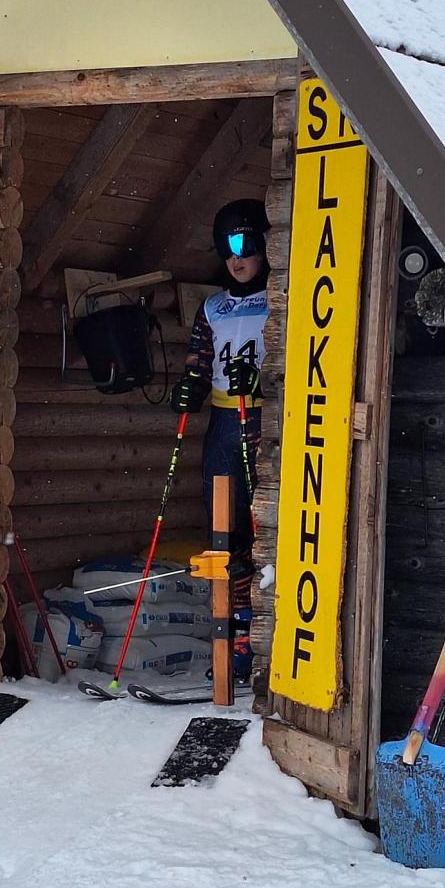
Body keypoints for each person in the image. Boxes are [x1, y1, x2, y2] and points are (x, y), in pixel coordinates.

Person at [169, 199, 269, 679]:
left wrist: (264, 378)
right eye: (226, 247)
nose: (236, 257)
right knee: (223, 533)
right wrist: (189, 387)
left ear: (265, 246)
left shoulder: (278, 297)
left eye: (245, 243)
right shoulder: (213, 306)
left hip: (263, 419)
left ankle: (261, 634)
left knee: (261, 526)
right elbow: (200, 360)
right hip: (225, 422)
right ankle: (234, 638)